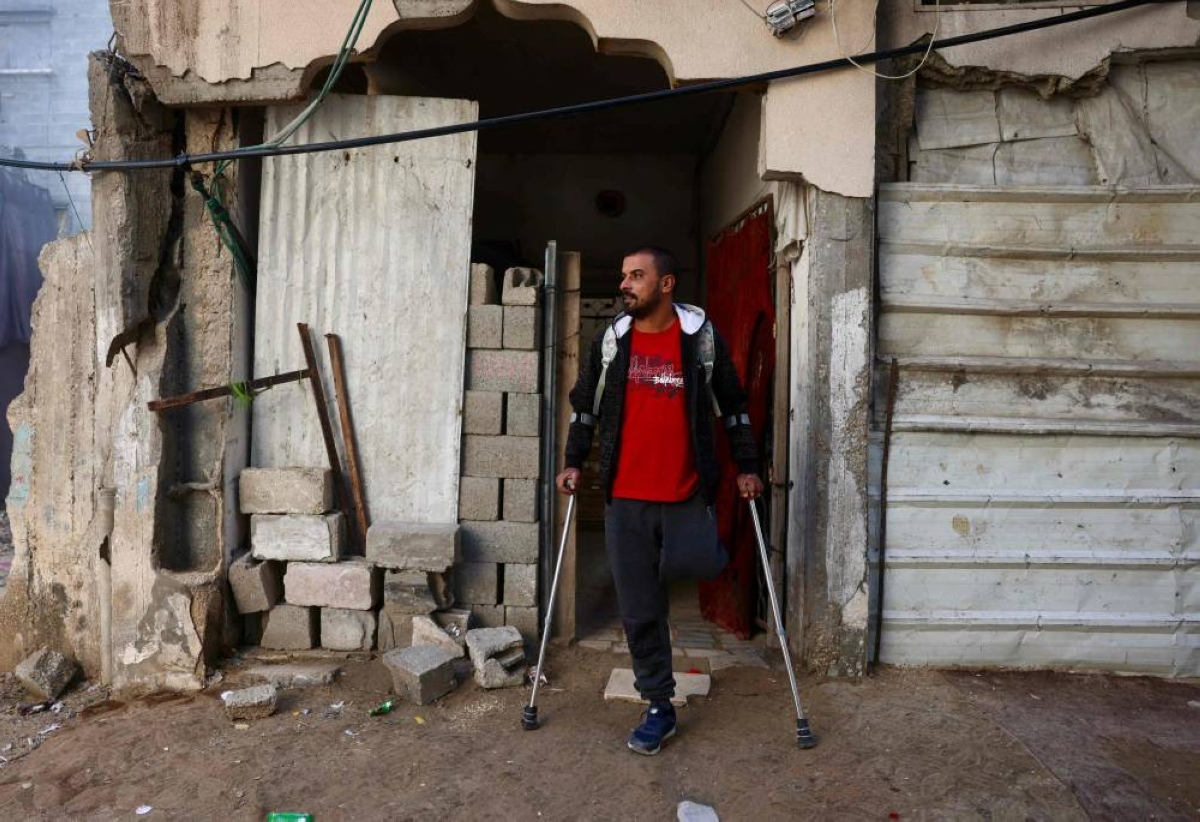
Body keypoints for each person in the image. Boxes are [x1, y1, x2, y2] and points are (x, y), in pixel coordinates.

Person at [556, 245, 764, 756]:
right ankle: (658, 705)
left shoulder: (700, 338)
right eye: (624, 275)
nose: (624, 284)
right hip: (626, 499)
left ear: (666, 284)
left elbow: (733, 407)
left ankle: (670, 587)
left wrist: (747, 466)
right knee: (640, 608)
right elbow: (584, 406)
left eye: (636, 276)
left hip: (687, 493)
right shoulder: (612, 341)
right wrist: (574, 460)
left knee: (701, 565)